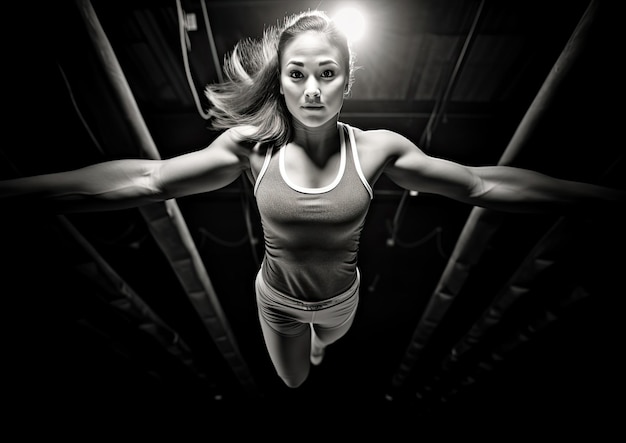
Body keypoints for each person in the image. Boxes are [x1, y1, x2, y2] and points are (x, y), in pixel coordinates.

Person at [1, 10, 624, 389]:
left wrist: (598, 198)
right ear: (281, 80)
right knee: (295, 380)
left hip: (341, 299)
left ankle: (323, 337)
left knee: (328, 339)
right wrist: (22, 193)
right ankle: (306, 344)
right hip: (275, 298)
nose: (312, 89)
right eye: (297, 74)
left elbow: (483, 183)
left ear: (347, 81)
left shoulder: (376, 150)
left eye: (328, 73)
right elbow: (148, 179)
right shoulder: (254, 148)